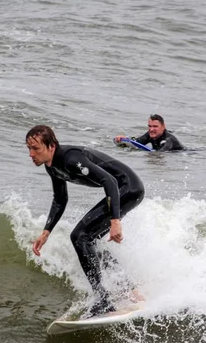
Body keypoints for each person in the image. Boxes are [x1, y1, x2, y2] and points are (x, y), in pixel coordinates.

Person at [26, 125, 145, 316]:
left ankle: (103, 301)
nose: (31, 154)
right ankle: (129, 289)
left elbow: (110, 181)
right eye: (29, 148)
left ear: (51, 146)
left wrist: (115, 221)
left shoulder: (71, 158)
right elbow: (60, 199)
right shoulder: (52, 166)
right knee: (88, 240)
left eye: (35, 148)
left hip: (128, 188)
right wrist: (46, 232)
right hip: (121, 191)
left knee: (80, 237)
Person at [114, 114, 185, 151]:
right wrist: (124, 139)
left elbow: (160, 154)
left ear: (163, 127)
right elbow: (137, 142)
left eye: (155, 126)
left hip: (183, 154)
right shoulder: (150, 134)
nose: (151, 129)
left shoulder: (169, 140)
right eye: (149, 126)